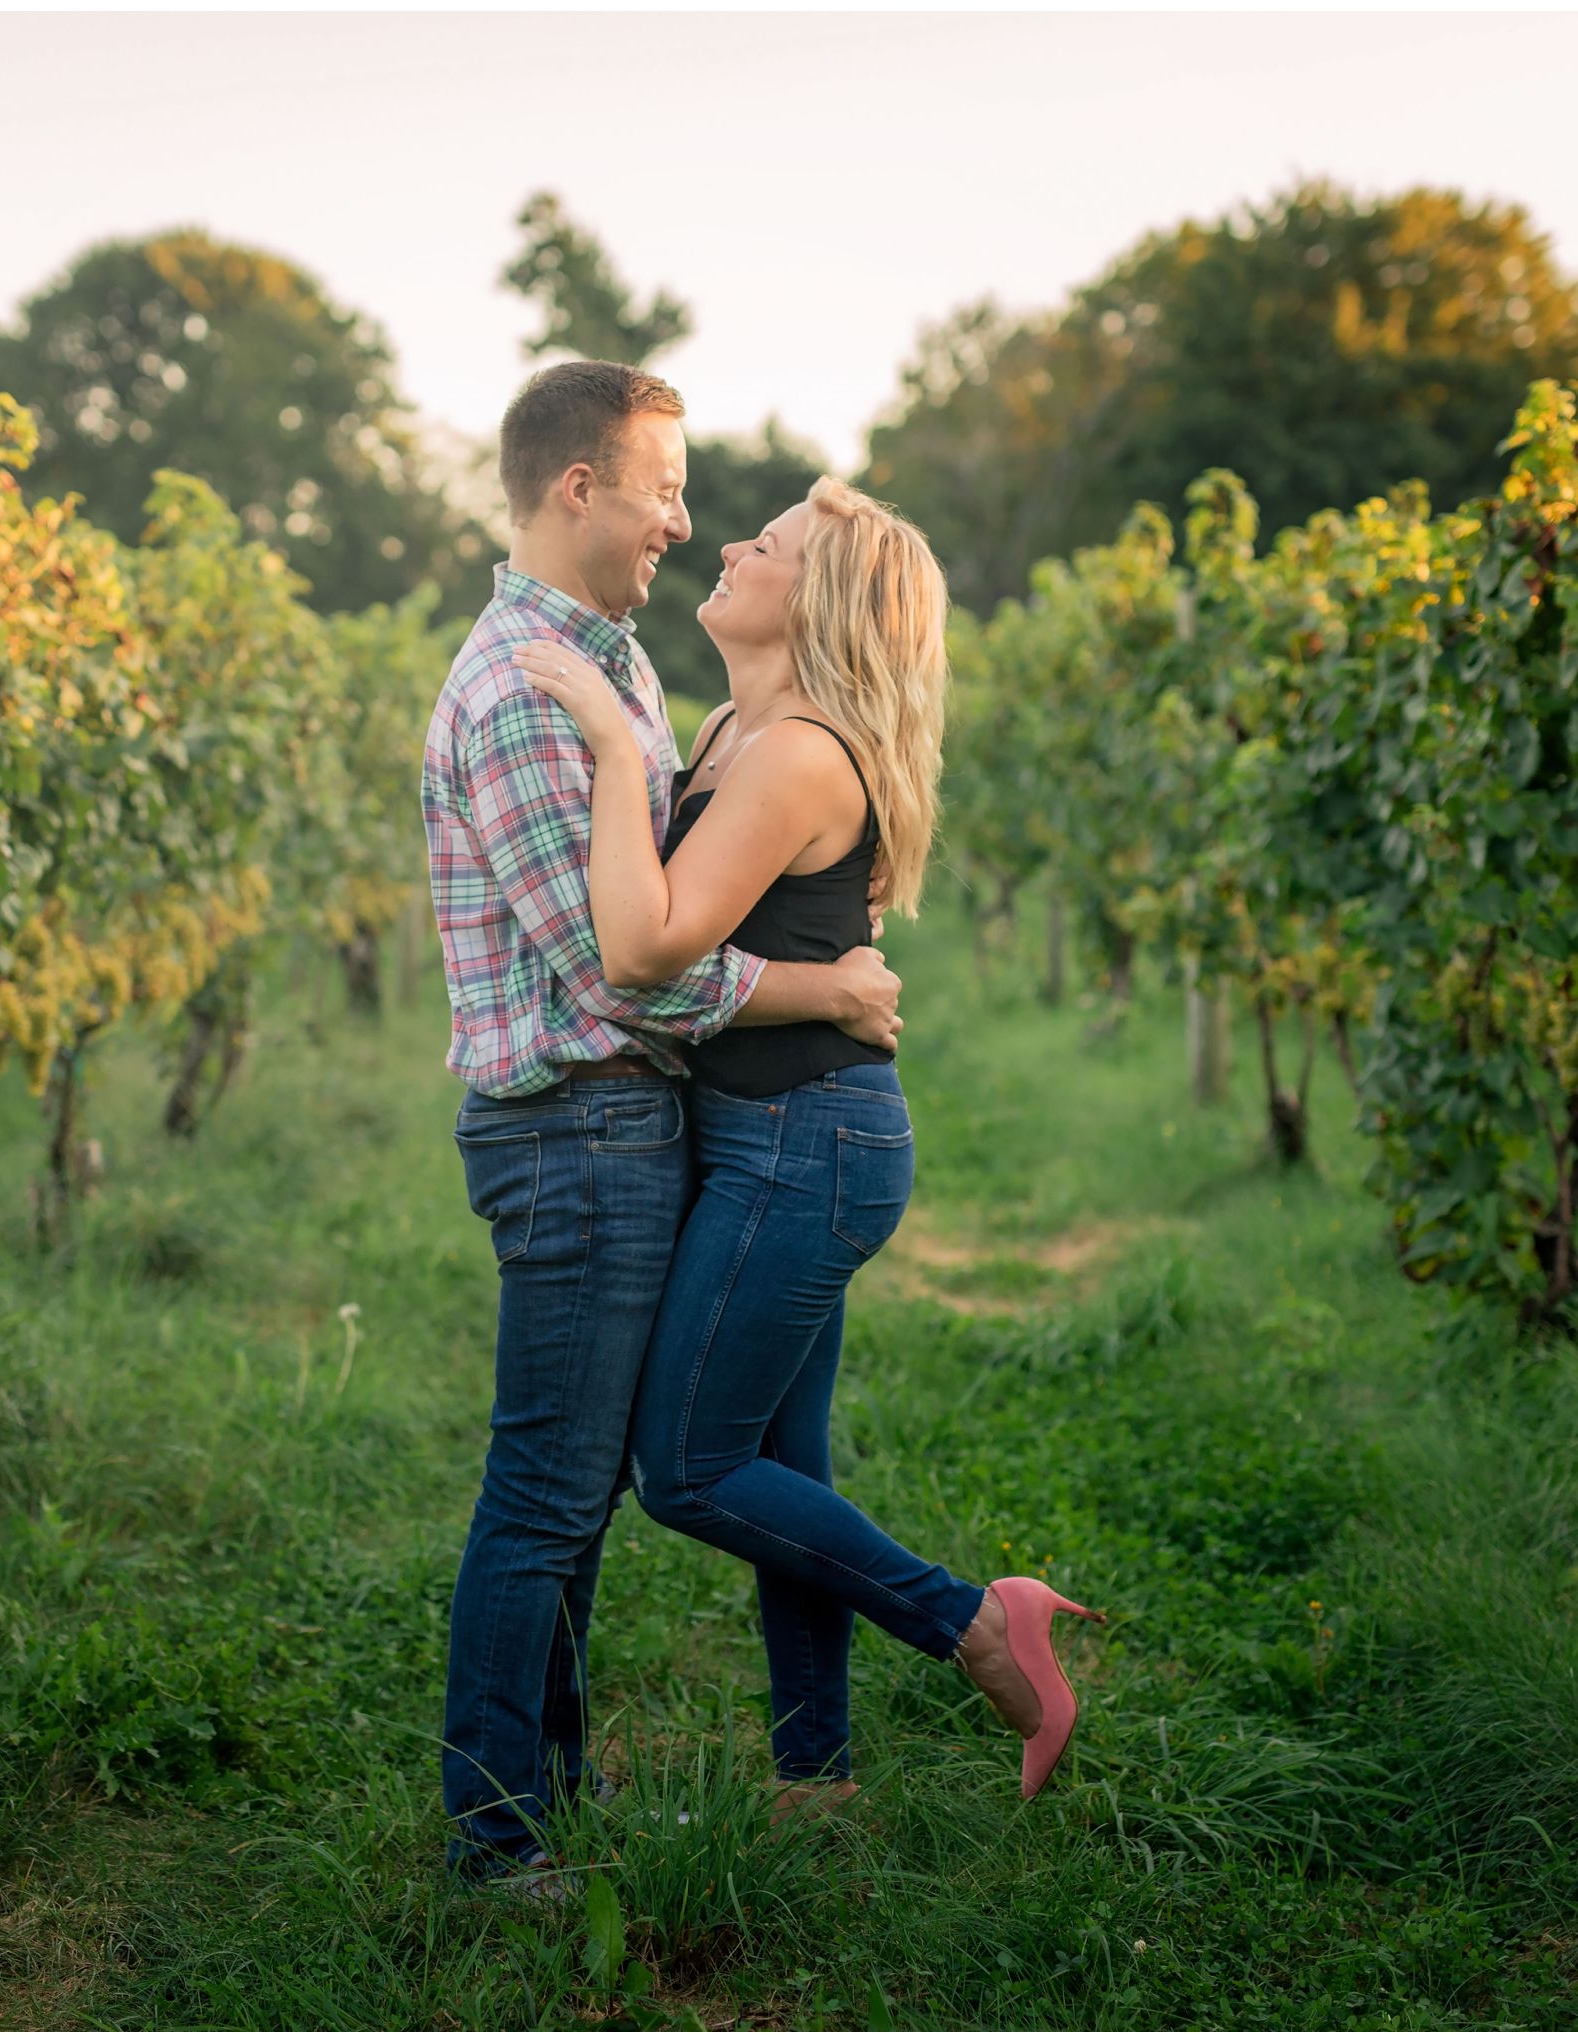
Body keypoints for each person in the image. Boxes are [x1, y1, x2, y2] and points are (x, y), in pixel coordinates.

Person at [512, 476, 1095, 1821]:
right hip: (764, 1136)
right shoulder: (736, 726)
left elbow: (651, 943)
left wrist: (607, 748)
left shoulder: (793, 756)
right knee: (784, 1470)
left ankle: (976, 1623)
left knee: (692, 1469)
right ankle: (814, 1780)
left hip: (802, 1146)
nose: (727, 542)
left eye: (764, 544)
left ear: (816, 598)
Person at [419, 361, 906, 1882]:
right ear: (580, 489)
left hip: (634, 1127)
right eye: (665, 489)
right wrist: (822, 989)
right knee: (550, 1493)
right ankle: (499, 1843)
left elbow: (679, 917)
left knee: (584, 1495)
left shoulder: (613, 664)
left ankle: (548, 1794)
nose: (685, 525)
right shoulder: (521, 690)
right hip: (575, 1125)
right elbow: (624, 971)